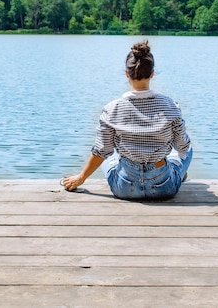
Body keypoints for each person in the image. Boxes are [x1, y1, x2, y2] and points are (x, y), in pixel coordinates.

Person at [62, 40, 193, 200]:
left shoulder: (112, 109)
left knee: (106, 153)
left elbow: (101, 151)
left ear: (126, 73)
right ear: (152, 74)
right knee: (186, 148)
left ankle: (131, 164)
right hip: (164, 187)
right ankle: (174, 172)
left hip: (124, 187)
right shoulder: (171, 106)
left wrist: (80, 178)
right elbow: (182, 147)